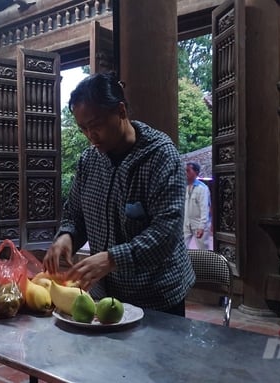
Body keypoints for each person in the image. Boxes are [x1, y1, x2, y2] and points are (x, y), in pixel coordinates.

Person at [43, 72, 195, 315]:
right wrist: (67, 237)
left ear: (121, 111)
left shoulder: (160, 156)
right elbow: (75, 215)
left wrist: (112, 259)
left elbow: (166, 232)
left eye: (96, 126)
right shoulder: (88, 161)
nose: (91, 136)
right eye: (83, 128)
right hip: (104, 296)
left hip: (157, 298)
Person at [183, 162, 211, 250]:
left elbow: (204, 209)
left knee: (203, 250)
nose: (185, 173)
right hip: (186, 223)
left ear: (196, 172)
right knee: (182, 248)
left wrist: (202, 226)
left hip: (199, 223)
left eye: (188, 171)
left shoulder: (202, 188)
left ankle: (206, 264)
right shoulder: (183, 187)